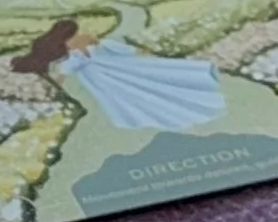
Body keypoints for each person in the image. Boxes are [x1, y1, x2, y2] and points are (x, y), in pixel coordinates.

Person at [14, 11, 227, 136]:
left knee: (126, 96)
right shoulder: (87, 38)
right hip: (111, 67)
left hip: (99, 78)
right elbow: (114, 49)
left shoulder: (65, 51)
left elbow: (65, 71)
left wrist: (56, 87)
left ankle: (145, 115)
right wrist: (144, 54)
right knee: (145, 82)